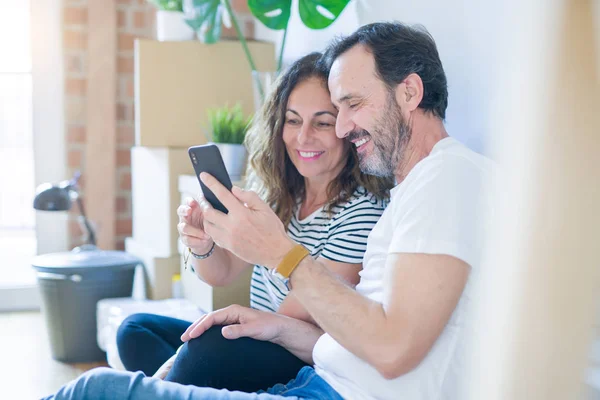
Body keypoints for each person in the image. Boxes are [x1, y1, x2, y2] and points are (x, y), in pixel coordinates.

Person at [43, 21, 496, 400]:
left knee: (96, 389)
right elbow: (365, 337)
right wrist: (276, 328)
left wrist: (282, 254)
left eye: (350, 106)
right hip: (316, 375)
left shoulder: (448, 178)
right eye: (328, 112)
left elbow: (394, 349)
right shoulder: (415, 190)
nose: (340, 127)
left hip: (326, 391)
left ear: (410, 93)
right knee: (137, 347)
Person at [115, 52, 392, 392]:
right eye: (292, 121)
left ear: (346, 128)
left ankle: (177, 385)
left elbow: (290, 320)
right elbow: (221, 274)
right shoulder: (279, 194)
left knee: (206, 349)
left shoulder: (361, 213)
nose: (303, 137)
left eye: (322, 122)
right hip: (255, 340)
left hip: (298, 353)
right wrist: (203, 246)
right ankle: (185, 385)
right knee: (135, 330)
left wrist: (187, 355)